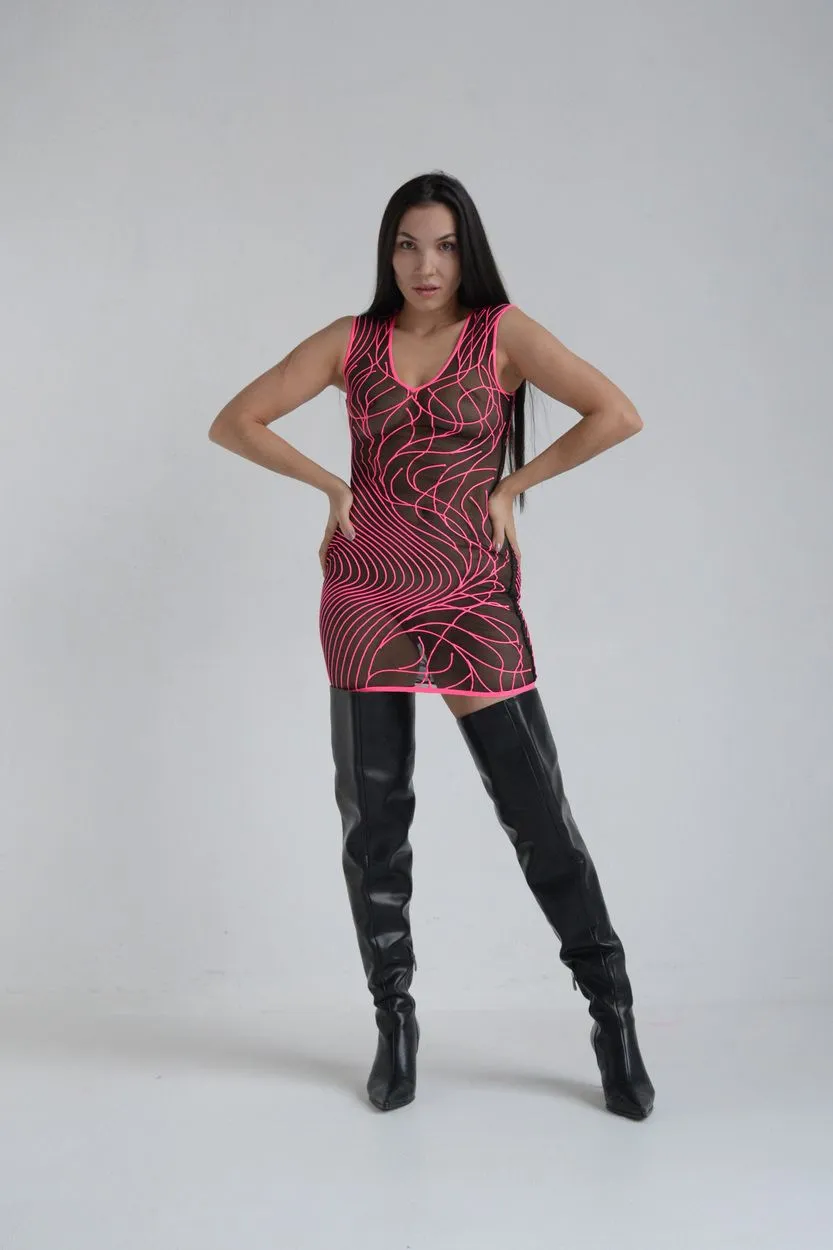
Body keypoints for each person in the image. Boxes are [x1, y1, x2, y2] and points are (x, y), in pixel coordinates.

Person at [208, 170, 655, 1121]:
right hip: (364, 591)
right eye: (408, 245)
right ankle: (394, 1021)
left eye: (444, 246)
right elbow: (233, 421)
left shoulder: (501, 335)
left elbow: (615, 412)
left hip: (468, 592)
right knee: (374, 825)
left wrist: (511, 486)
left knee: (537, 813)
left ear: (467, 252)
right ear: (388, 252)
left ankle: (611, 1014)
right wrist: (333, 488)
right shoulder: (351, 341)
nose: (425, 265)